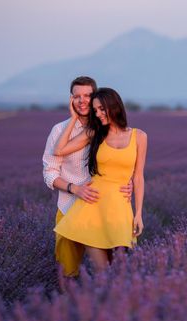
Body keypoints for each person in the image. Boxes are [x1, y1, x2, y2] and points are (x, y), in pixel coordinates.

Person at [42, 77, 132, 277]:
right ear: (71, 100)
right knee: (67, 272)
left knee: (109, 270)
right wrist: (75, 188)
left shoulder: (105, 127)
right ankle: (69, 305)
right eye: (77, 96)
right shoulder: (58, 130)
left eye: (87, 96)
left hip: (104, 208)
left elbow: (122, 159)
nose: (82, 101)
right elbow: (49, 173)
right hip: (68, 206)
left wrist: (129, 181)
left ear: (96, 98)